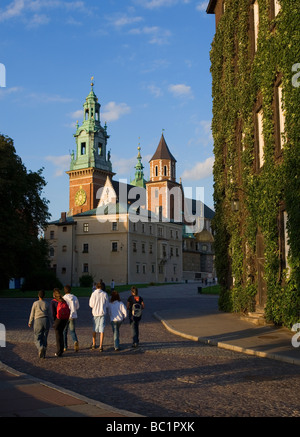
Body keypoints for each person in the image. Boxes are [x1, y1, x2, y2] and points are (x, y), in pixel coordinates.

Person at [28, 290, 51, 358]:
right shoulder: (47, 303)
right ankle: (43, 353)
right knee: (44, 337)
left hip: (38, 320)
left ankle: (40, 347)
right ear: (44, 296)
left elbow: (32, 313)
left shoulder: (35, 303)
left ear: (38, 296)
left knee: (37, 337)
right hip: (46, 320)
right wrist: (53, 322)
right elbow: (50, 314)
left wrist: (30, 322)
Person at [89, 282, 108, 351]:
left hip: (95, 313)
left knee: (94, 329)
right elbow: (107, 304)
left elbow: (91, 305)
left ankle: (94, 344)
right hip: (102, 313)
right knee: (101, 330)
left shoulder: (93, 294)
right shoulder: (105, 294)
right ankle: (101, 345)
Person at [51, 289, 70, 357]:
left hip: (58, 319)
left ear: (54, 295)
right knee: (61, 333)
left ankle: (59, 351)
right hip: (65, 319)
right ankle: (61, 349)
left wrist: (53, 321)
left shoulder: (53, 302)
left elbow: (53, 313)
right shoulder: (63, 301)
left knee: (58, 335)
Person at [63, 285, 80, 352]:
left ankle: (65, 346)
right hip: (72, 316)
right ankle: (75, 341)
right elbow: (77, 306)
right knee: (72, 331)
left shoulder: (63, 298)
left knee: (64, 331)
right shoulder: (75, 297)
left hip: (65, 316)